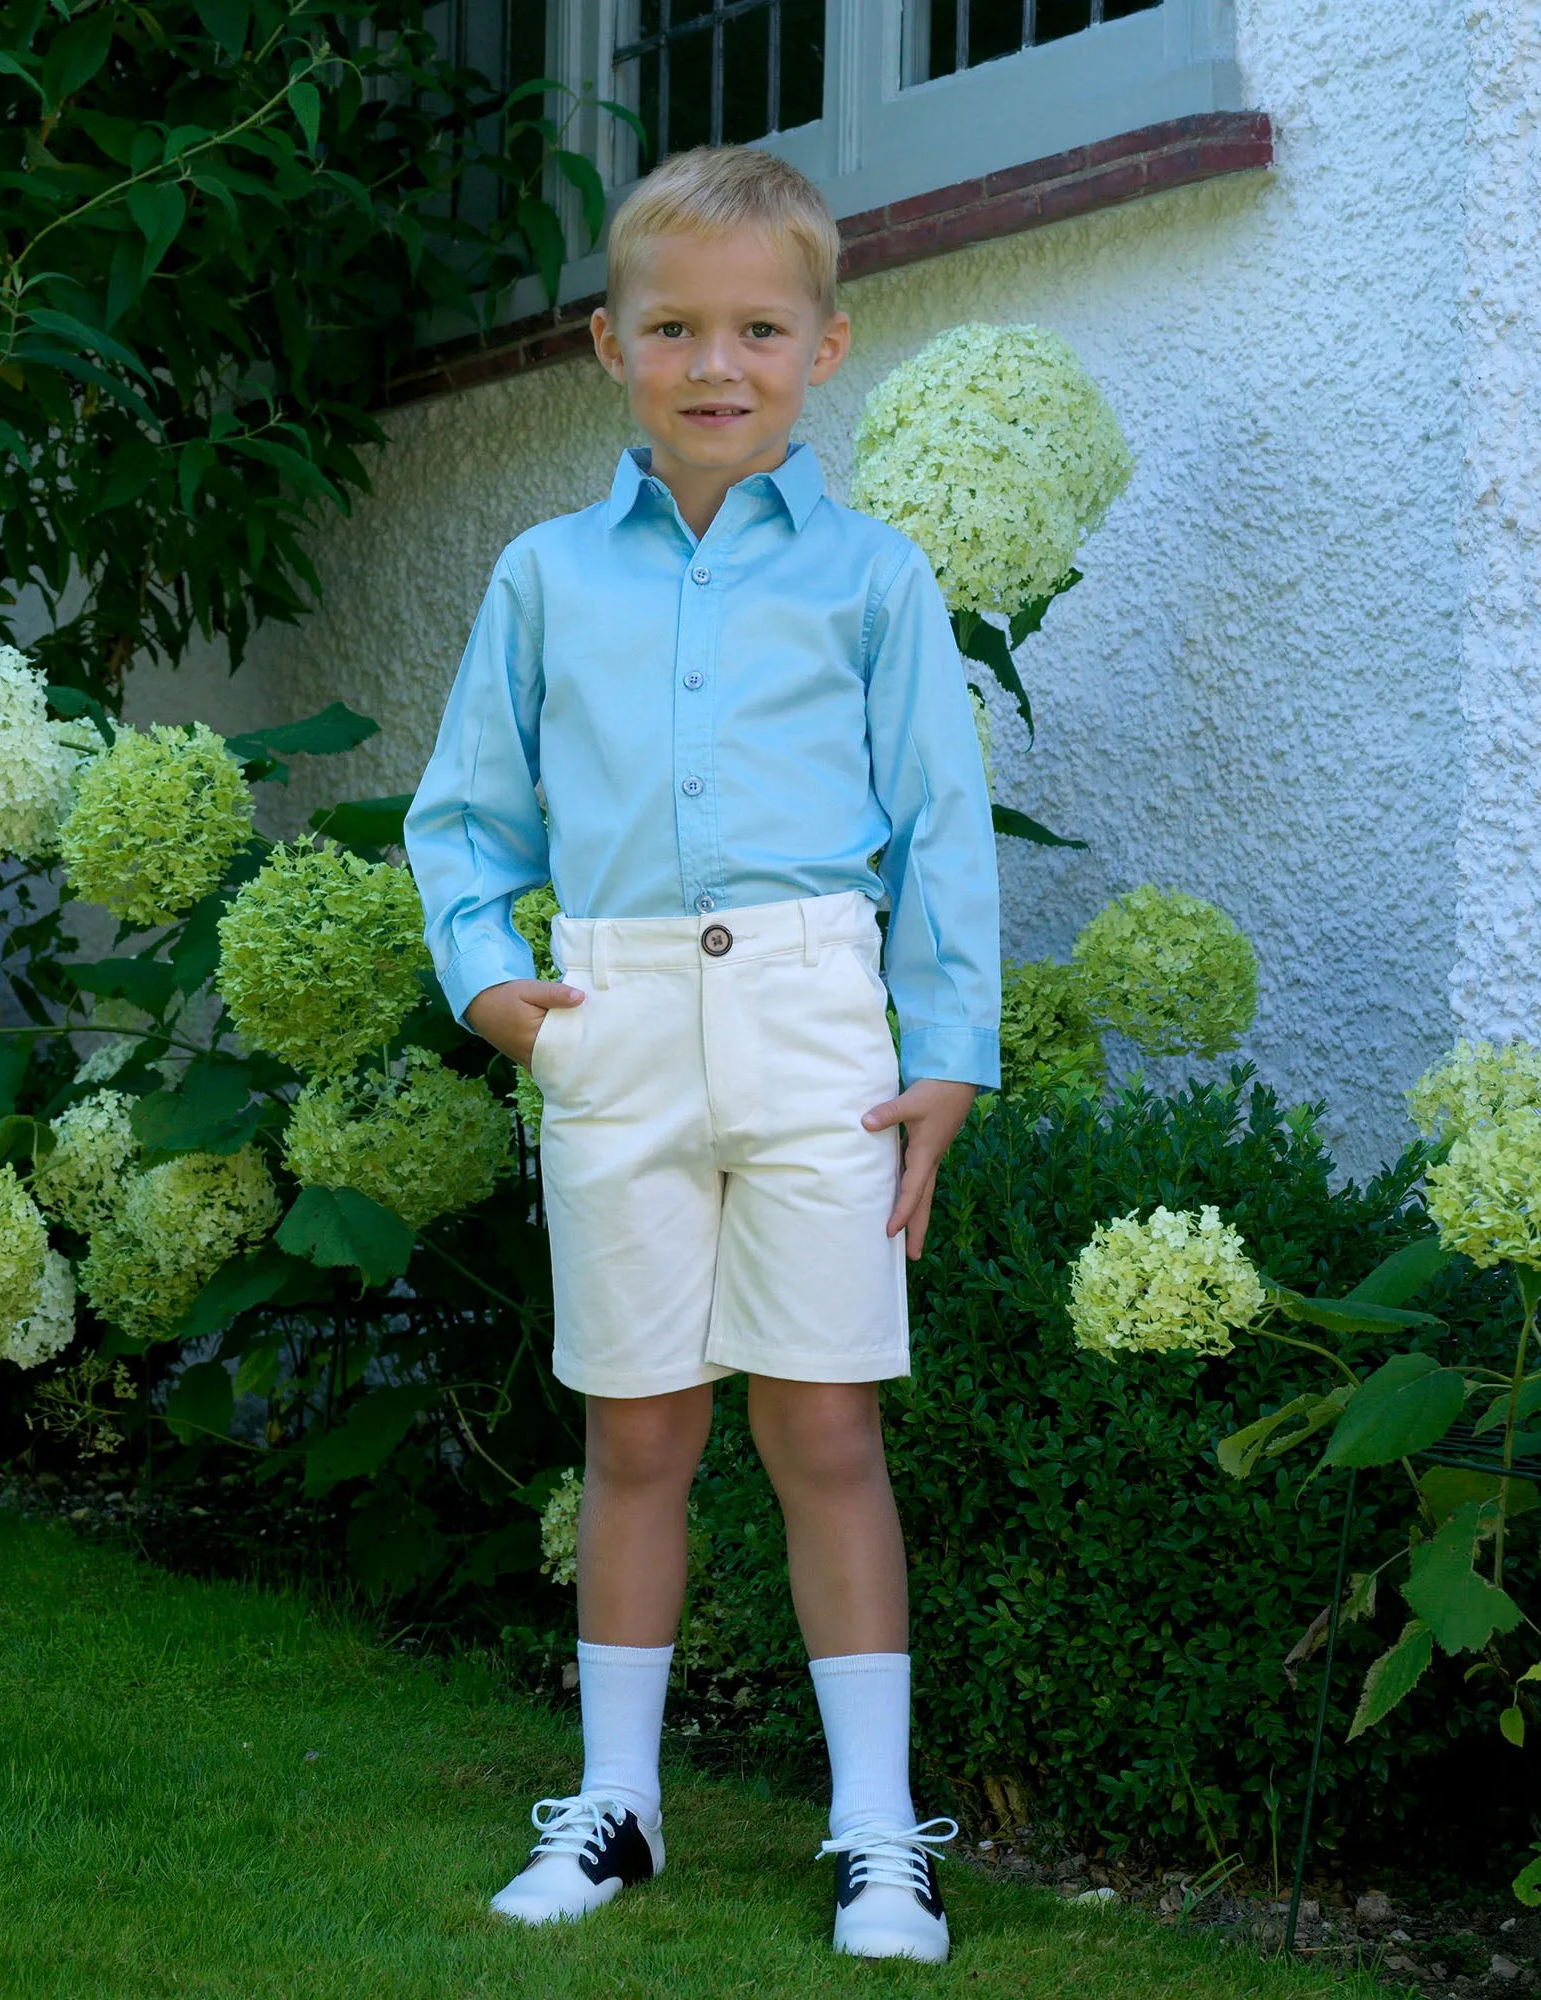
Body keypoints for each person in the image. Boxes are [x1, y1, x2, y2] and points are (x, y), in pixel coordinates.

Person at [404, 143, 1000, 1964]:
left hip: (821, 1020)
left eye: (756, 327)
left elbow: (941, 825)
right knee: (637, 1426)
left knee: (823, 1423)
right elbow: (464, 818)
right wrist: (487, 982)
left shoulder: (879, 580)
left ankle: (879, 1833)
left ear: (827, 344)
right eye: (674, 327)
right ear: (609, 346)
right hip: (617, 1021)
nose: (714, 362)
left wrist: (949, 1052)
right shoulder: (543, 578)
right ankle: (615, 1807)